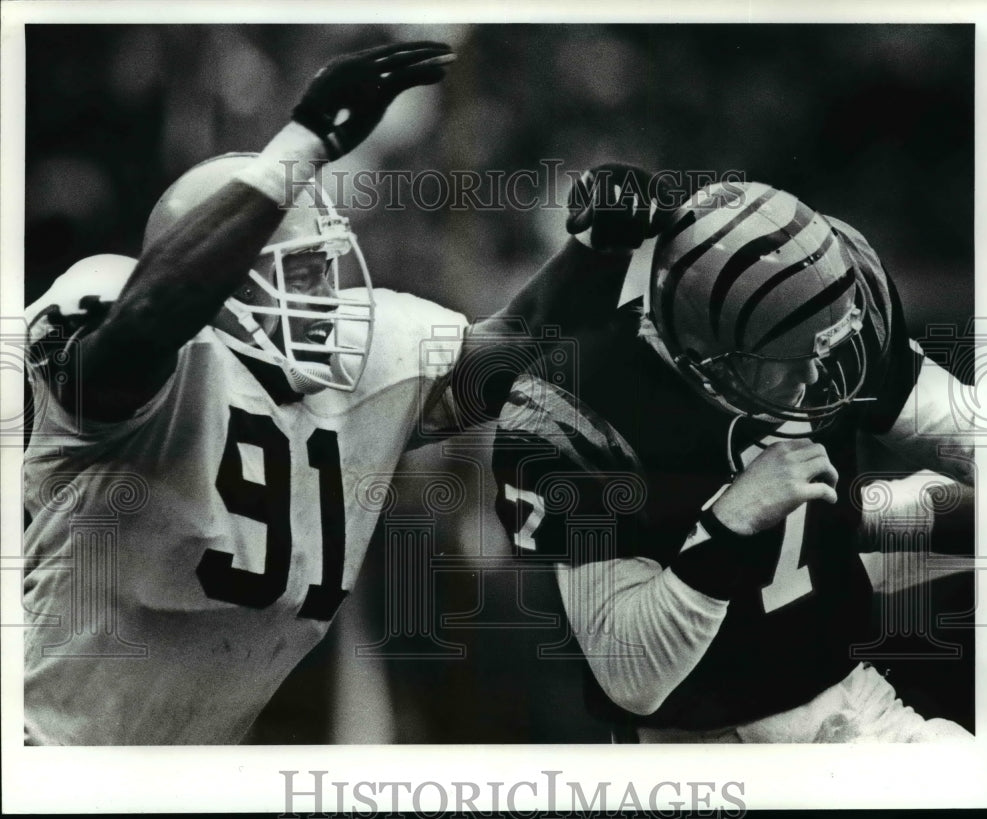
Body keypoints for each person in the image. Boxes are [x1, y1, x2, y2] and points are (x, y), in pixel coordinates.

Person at [21, 43, 660, 745]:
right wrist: (305, 139)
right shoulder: (122, 333)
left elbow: (513, 348)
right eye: (297, 274)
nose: (325, 297)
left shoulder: (360, 363)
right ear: (217, 279)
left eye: (324, 270)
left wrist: (600, 248)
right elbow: (144, 325)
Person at [492, 179, 976, 742]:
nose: (816, 374)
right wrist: (731, 524)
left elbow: (966, 431)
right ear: (704, 357)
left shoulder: (823, 316)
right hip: (708, 749)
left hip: (849, 694)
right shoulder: (580, 402)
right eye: (787, 358)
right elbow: (634, 679)